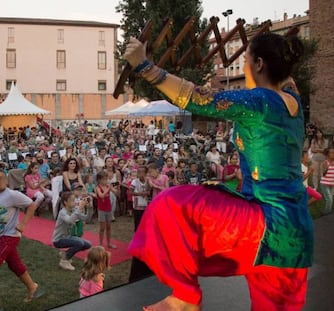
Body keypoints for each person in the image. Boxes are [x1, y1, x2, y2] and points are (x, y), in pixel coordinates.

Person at [123, 33, 312, 310]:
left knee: (171, 205)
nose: (244, 68)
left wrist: (144, 66)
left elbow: (197, 98)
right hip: (296, 234)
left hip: (262, 225)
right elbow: (285, 79)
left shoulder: (259, 101)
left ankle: (186, 297)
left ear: (259, 64)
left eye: (246, 60)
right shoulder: (293, 100)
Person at [0, 168, 43, 311]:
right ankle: (32, 287)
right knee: (14, 264)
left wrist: (24, 223)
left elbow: (31, 205)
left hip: (10, 236)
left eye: (3, 178)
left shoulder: (13, 195)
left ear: (7, 180)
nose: (0, 181)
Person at [52, 191, 91, 271]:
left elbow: (86, 218)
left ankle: (65, 254)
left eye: (74, 200)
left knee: (88, 244)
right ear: (65, 202)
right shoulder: (62, 212)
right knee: (79, 243)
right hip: (58, 240)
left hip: (68, 237)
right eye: (72, 200)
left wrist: (90, 208)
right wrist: (79, 208)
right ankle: (64, 260)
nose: (75, 202)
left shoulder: (74, 210)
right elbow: (69, 220)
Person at [95, 171, 118, 249]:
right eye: (104, 179)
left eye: (106, 179)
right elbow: (101, 196)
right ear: (99, 180)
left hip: (108, 209)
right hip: (101, 209)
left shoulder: (108, 186)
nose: (105, 181)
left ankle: (109, 243)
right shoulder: (98, 187)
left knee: (109, 227)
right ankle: (101, 244)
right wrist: (108, 189)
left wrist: (115, 187)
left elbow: (116, 192)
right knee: (102, 228)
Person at [320, 147, 334, 215]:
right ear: (328, 154)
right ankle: (326, 213)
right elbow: (323, 174)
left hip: (332, 184)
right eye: (331, 153)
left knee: (331, 199)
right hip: (325, 184)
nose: (333, 154)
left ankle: (328, 213)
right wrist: (327, 167)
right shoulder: (325, 162)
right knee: (329, 199)